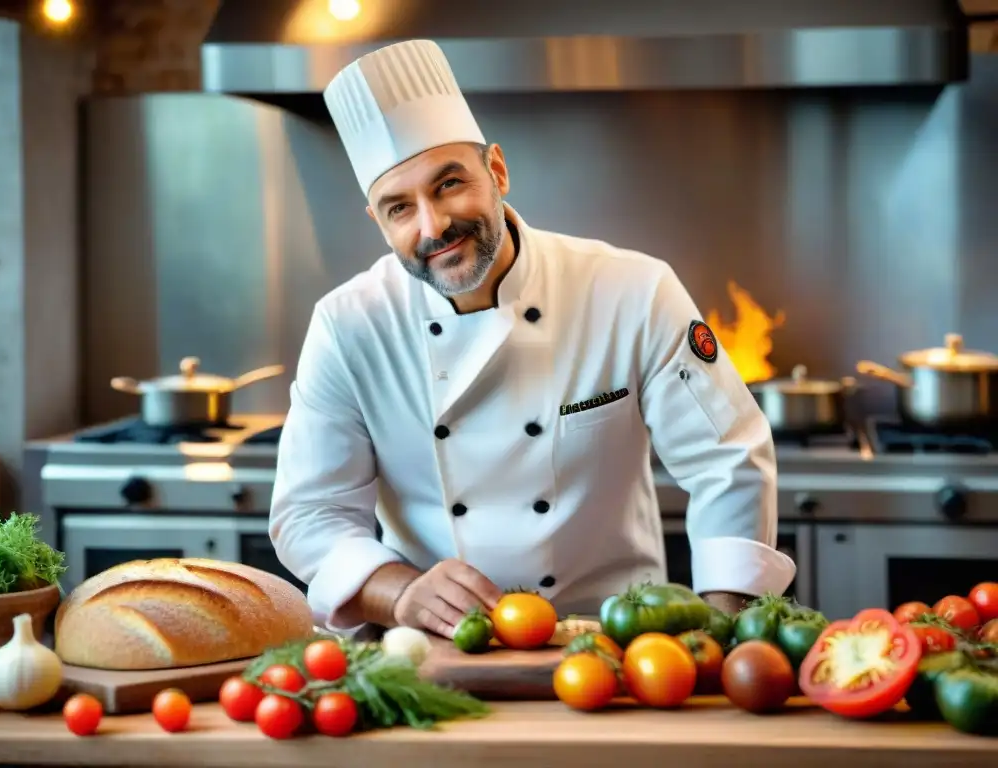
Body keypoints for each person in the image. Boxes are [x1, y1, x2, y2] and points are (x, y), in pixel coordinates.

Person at [269, 39, 795, 639]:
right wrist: (401, 592)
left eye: (448, 185)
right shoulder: (348, 326)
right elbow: (311, 514)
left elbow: (727, 457)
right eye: (399, 208)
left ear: (496, 171)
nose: (433, 225)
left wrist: (724, 636)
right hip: (433, 652)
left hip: (616, 640)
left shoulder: (633, 290)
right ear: (379, 222)